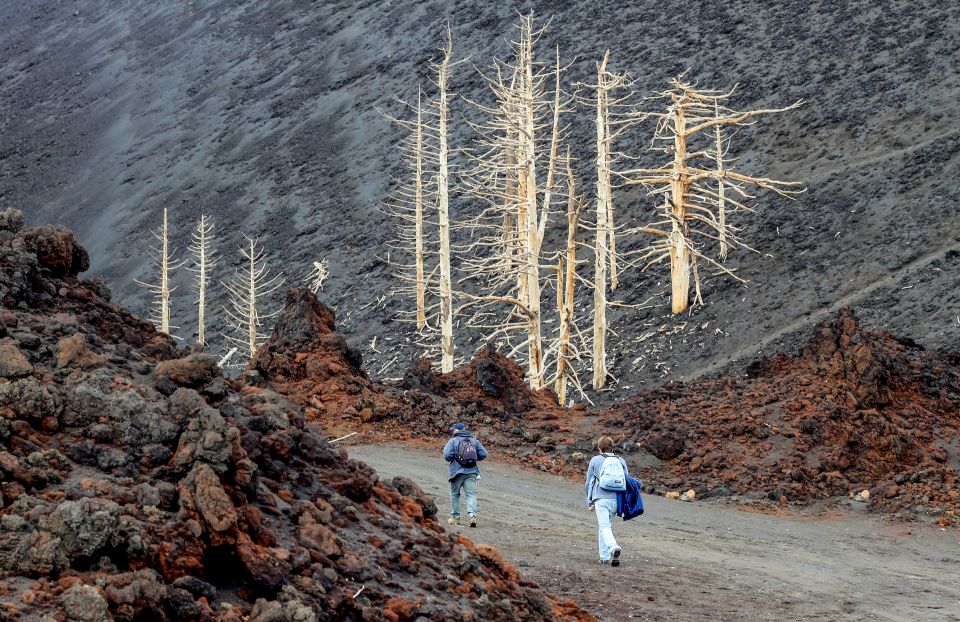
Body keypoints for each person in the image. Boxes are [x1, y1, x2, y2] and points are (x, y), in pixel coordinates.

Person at [585, 436, 629, 566]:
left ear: (599, 448)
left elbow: (589, 483)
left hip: (601, 498)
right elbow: (627, 480)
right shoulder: (621, 460)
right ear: (612, 447)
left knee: (604, 526)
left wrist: (590, 502)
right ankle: (604, 557)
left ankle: (613, 547)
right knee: (605, 527)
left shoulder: (595, 460)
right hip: (616, 500)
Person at [442, 422, 488, 528]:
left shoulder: (453, 440)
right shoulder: (473, 440)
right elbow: (484, 454)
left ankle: (455, 518)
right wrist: (473, 459)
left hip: (457, 472)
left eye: (453, 430)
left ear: (457, 430)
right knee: (471, 494)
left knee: (455, 494)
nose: (452, 431)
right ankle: (472, 516)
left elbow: (447, 455)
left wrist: (456, 457)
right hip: (472, 472)